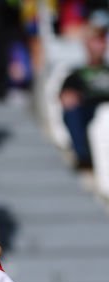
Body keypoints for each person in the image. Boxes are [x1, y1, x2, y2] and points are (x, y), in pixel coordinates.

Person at [60, 12, 109, 171]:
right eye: (95, 41)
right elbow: (66, 97)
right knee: (72, 111)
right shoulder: (77, 74)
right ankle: (84, 157)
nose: (99, 45)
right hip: (88, 110)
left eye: (101, 41)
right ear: (87, 44)